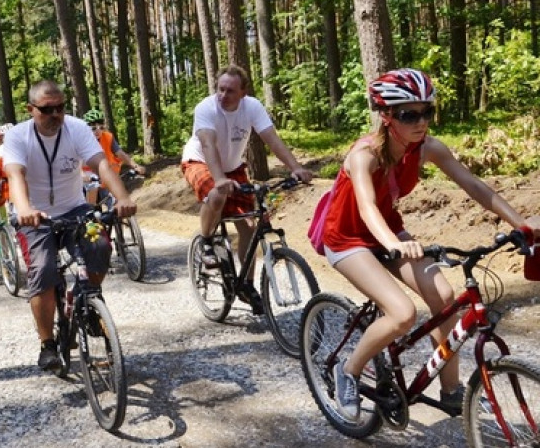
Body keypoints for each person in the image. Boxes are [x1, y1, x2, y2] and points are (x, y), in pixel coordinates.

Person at [323, 68, 540, 422]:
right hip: (348, 238)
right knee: (402, 314)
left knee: (444, 298)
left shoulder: (427, 148)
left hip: (391, 233)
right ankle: (348, 371)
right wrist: (393, 243)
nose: (421, 121)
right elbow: (366, 207)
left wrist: (522, 224)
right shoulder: (364, 155)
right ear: (386, 115)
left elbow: (474, 185)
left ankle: (451, 391)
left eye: (427, 112)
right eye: (409, 115)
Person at [4, 79, 137, 372]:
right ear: (30, 109)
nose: (55, 115)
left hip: (75, 208)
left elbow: (101, 164)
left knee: (100, 246)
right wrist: (24, 209)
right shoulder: (18, 136)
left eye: (60, 108)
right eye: (47, 109)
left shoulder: (76, 128)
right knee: (43, 269)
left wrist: (123, 198)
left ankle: (86, 300)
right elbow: (15, 175)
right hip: (34, 214)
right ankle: (47, 344)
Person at [181, 65, 313, 315]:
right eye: (220, 89)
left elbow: (272, 139)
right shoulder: (206, 108)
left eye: (230, 91)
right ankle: (206, 241)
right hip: (200, 161)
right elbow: (208, 144)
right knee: (217, 194)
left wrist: (295, 168)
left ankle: (247, 285)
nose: (223, 95)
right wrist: (219, 179)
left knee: (250, 227)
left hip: (232, 167)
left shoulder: (252, 107)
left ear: (243, 92)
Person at [81, 108, 146, 205]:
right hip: (88, 177)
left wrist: (135, 165)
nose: (98, 131)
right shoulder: (81, 141)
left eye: (101, 127)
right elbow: (75, 162)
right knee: (93, 188)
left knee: (118, 201)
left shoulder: (108, 137)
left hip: (106, 177)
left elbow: (120, 153)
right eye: (94, 128)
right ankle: (90, 211)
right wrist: (83, 175)